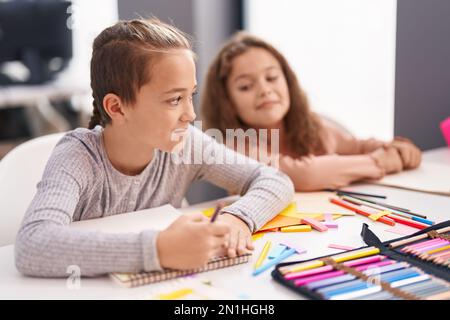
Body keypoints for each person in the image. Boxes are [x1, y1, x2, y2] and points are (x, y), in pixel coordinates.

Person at [14, 20, 294, 277]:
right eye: (174, 100)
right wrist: (157, 249)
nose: (190, 115)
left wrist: (239, 218)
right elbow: (32, 245)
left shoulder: (188, 145)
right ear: (117, 107)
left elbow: (274, 179)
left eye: (190, 96)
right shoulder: (78, 157)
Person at [201, 32, 422, 191]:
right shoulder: (234, 147)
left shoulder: (313, 125)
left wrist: (398, 149)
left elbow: (357, 146)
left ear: (288, 81)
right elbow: (303, 175)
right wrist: (379, 162)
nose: (264, 90)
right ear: (226, 102)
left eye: (271, 78)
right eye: (246, 86)